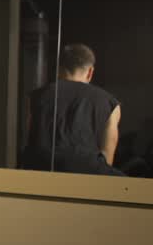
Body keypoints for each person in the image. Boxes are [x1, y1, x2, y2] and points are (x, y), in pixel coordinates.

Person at [21, 43, 124, 176]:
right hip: (88, 173)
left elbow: (30, 139)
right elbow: (107, 157)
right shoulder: (111, 104)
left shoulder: (35, 97)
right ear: (90, 72)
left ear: (58, 68)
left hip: (40, 171)